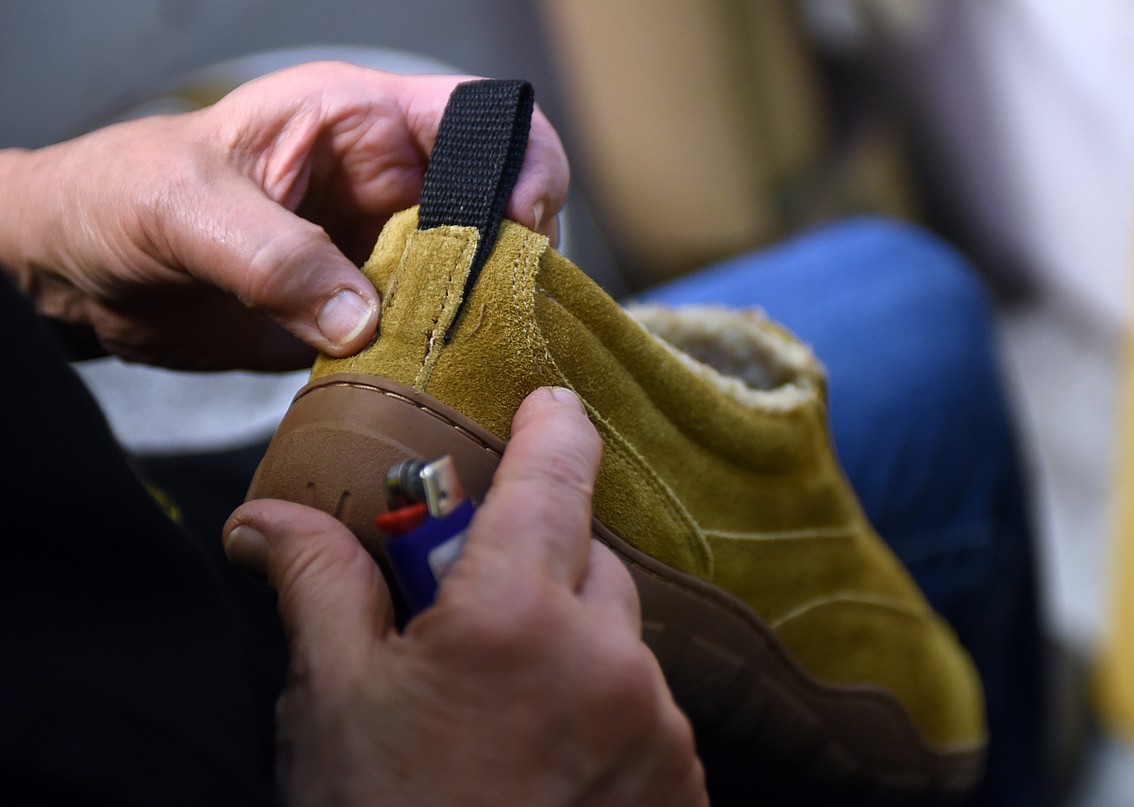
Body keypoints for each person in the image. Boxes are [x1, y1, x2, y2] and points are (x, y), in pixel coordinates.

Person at [0, 62, 1043, 805]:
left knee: (901, 299)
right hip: (217, 735)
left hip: (133, 542)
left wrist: (37, 224)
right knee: (928, 340)